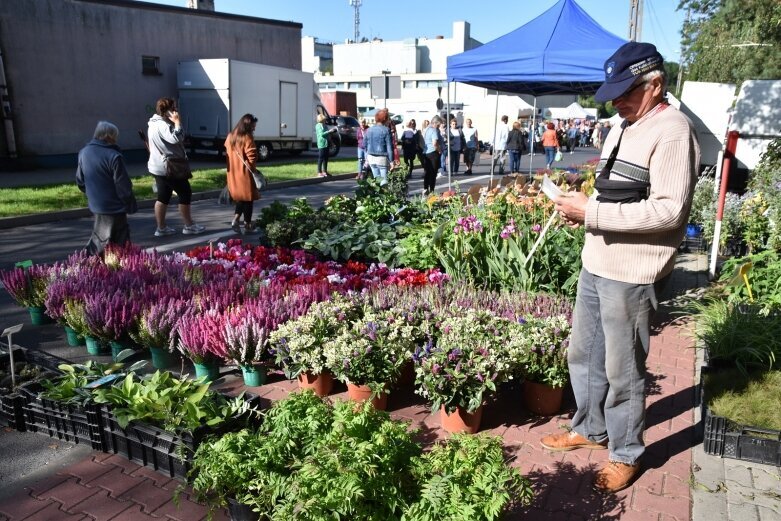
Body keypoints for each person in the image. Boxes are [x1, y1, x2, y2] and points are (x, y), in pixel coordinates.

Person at [541, 41, 700, 494]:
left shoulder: (672, 130)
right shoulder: (625, 125)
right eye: (614, 92)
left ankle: (626, 452)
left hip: (632, 271)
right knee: (582, 354)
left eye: (627, 91)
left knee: (623, 368)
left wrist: (591, 213)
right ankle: (590, 429)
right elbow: (617, 192)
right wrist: (580, 205)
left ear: (656, 84)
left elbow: (670, 211)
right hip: (598, 260)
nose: (617, 101)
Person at [76, 121, 137, 255]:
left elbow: (80, 181)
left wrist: (94, 195)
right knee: (119, 242)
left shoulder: (83, 153)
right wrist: (130, 204)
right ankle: (90, 265)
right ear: (109, 136)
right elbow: (123, 186)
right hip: (115, 206)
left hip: (96, 205)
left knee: (101, 236)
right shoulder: (114, 156)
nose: (116, 139)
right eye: (115, 136)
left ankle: (92, 265)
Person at [147, 97, 205, 236]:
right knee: (185, 192)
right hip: (169, 167)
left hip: (158, 167)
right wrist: (178, 122)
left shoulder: (153, 123)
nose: (176, 110)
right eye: (174, 108)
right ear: (167, 111)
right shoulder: (163, 125)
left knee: (163, 196)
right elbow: (177, 138)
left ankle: (161, 228)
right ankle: (188, 225)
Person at [224, 113, 260, 234]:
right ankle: (248, 225)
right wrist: (252, 169)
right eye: (253, 126)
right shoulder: (247, 137)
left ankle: (235, 220)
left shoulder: (230, 136)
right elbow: (252, 156)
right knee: (248, 199)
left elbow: (227, 151)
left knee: (241, 199)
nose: (254, 128)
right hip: (244, 174)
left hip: (233, 174)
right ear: (248, 125)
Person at [363, 108, 394, 186]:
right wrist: (391, 161)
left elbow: (364, 145)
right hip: (382, 158)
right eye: (388, 119)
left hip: (371, 157)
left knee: (376, 180)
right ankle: (384, 196)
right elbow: (389, 147)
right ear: (385, 119)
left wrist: (366, 157)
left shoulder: (369, 130)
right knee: (384, 181)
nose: (388, 121)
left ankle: (378, 196)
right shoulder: (386, 130)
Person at [422, 115, 443, 195]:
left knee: (427, 172)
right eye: (438, 125)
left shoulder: (426, 129)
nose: (438, 127)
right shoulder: (434, 130)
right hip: (433, 153)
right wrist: (439, 150)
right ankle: (431, 190)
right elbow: (435, 143)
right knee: (433, 173)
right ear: (435, 123)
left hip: (426, 152)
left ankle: (425, 188)